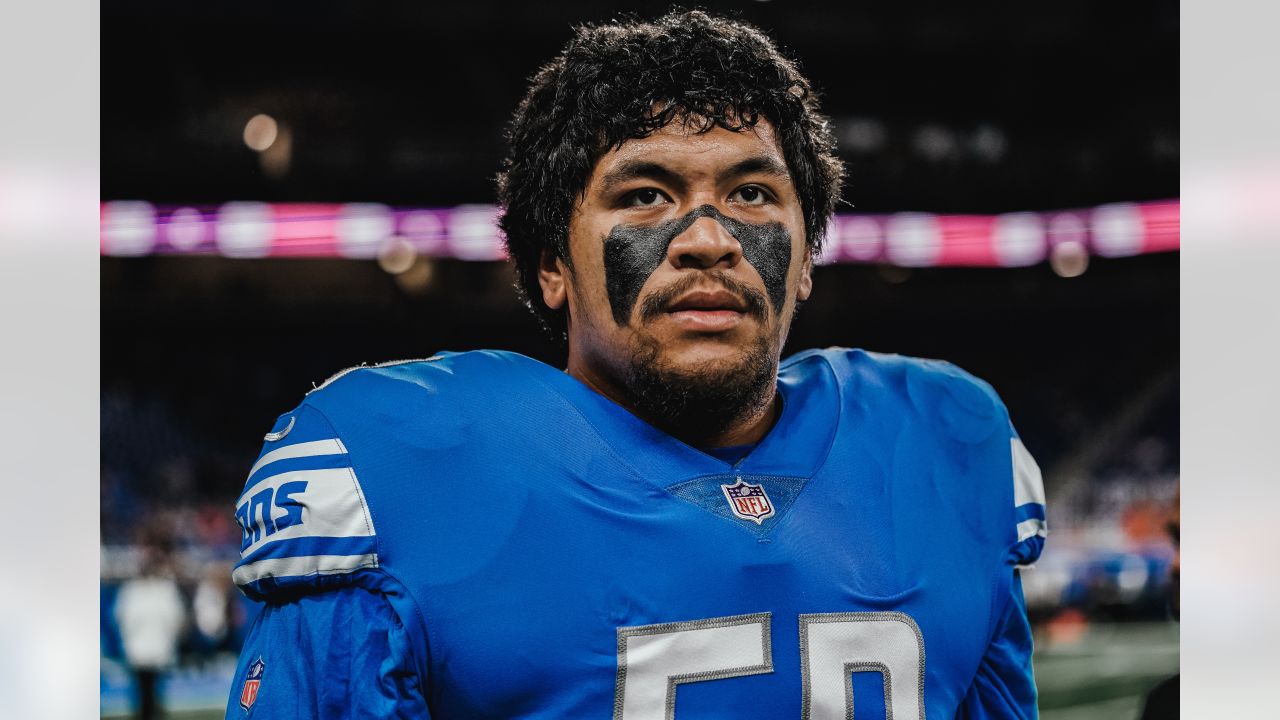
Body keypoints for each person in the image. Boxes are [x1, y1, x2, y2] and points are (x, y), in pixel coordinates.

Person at [224, 10, 1047, 719]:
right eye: (645, 195)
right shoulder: (403, 471)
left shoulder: (947, 444)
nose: (709, 239)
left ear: (806, 257)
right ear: (551, 262)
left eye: (754, 194)